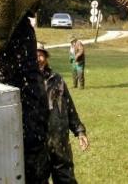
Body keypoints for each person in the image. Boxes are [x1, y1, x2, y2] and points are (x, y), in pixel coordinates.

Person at [37, 42, 89, 184]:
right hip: (37, 146)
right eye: (35, 55)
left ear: (46, 57)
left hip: (60, 143)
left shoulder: (57, 79)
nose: (38, 59)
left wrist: (80, 131)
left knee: (66, 180)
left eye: (41, 55)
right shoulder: (25, 82)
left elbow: (69, 107)